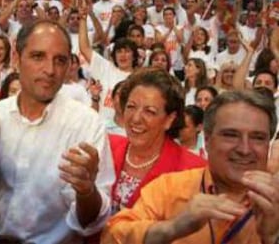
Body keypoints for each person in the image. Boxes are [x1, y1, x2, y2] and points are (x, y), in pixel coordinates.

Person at [0, 20, 115, 244]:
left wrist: (86, 191)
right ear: (16, 58)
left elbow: (91, 222)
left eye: (60, 60)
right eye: (38, 56)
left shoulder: (88, 125)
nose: (50, 70)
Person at [101, 90, 279, 244]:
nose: (244, 149)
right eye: (231, 135)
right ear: (207, 141)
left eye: (257, 138)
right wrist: (172, 228)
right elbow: (111, 237)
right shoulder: (169, 188)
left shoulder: (275, 199)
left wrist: (272, 238)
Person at [108, 68, 206, 214]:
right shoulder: (106, 147)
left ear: (169, 119)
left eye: (150, 111)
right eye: (131, 107)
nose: (135, 118)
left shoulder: (195, 171)